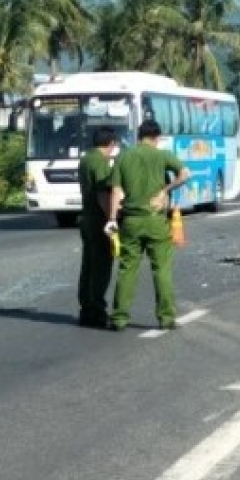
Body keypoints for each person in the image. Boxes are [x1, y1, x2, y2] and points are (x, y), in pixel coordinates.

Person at [108, 120, 191, 331]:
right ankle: (166, 318)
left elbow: (116, 191)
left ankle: (119, 318)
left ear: (139, 136)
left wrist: (112, 219)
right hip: (155, 221)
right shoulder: (162, 156)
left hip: (131, 221)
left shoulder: (123, 157)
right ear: (157, 137)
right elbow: (185, 174)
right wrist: (165, 190)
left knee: (127, 269)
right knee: (161, 269)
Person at [77, 128, 120, 329]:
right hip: (98, 219)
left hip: (86, 217)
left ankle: (86, 308)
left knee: (88, 266)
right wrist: (111, 219)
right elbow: (103, 193)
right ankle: (97, 310)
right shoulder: (100, 162)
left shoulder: (86, 159)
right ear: (111, 143)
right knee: (101, 268)